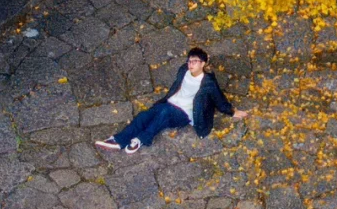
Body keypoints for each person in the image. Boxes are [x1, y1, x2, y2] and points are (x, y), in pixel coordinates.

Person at [95, 46, 248, 154]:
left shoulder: (208, 83)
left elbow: (219, 99)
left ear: (203, 63)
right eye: (189, 61)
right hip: (169, 105)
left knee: (163, 112)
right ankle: (119, 140)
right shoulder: (183, 70)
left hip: (184, 114)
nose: (190, 64)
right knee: (144, 115)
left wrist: (232, 112)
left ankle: (141, 139)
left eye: (194, 61)